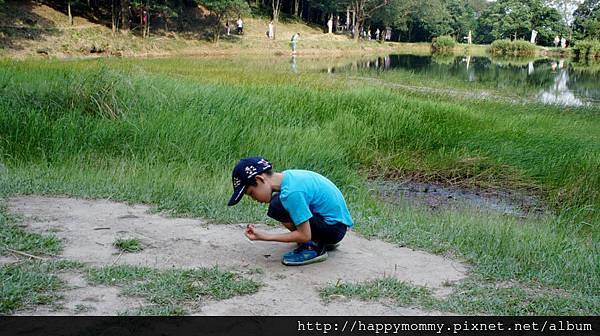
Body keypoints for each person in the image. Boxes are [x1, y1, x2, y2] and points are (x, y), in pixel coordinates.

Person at [227, 157, 353, 266]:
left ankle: (313, 246)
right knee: (278, 203)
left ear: (260, 179)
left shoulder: (291, 193)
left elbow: (304, 235)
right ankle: (319, 241)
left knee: (278, 205)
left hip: (333, 229)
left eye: (251, 193)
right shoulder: (288, 178)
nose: (253, 199)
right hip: (335, 225)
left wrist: (265, 236)